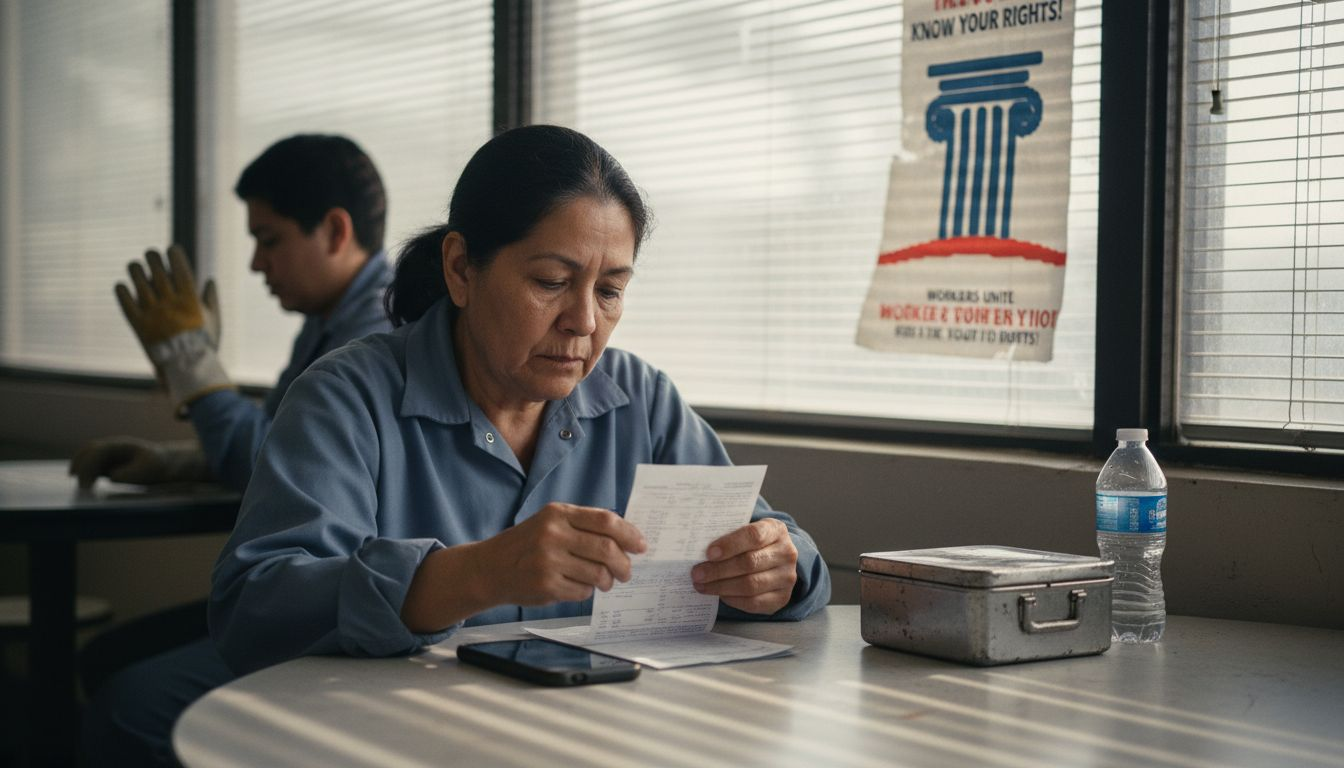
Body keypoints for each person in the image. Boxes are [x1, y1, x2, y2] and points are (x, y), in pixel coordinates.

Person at [209, 124, 831, 680]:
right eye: (551, 283)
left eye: (610, 290)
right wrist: (475, 573)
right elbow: (253, 610)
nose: (584, 321)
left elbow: (782, 545)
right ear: (461, 269)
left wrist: (779, 568)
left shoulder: (642, 402)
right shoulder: (347, 400)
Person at [78, 134, 395, 766]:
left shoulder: (378, 331)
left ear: (335, 231)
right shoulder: (327, 323)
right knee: (104, 656)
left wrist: (195, 371)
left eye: (270, 239)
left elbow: (268, 468)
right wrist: (174, 462)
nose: (255, 264)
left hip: (342, 607)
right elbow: (283, 450)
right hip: (304, 595)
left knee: (126, 705)